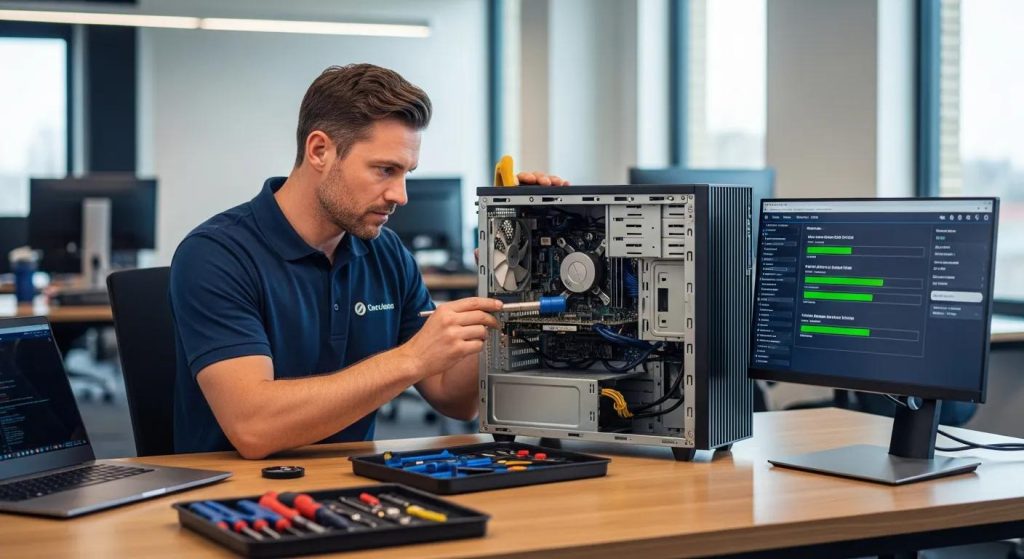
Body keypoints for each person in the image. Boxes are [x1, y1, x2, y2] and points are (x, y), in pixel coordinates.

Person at [169, 64, 567, 458]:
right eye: (384, 170)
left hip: (356, 484)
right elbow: (254, 427)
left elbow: (454, 398)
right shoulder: (216, 255)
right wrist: (411, 358)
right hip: (234, 498)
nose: (401, 195)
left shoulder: (387, 253)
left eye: (407, 173)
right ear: (320, 150)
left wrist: (508, 287)